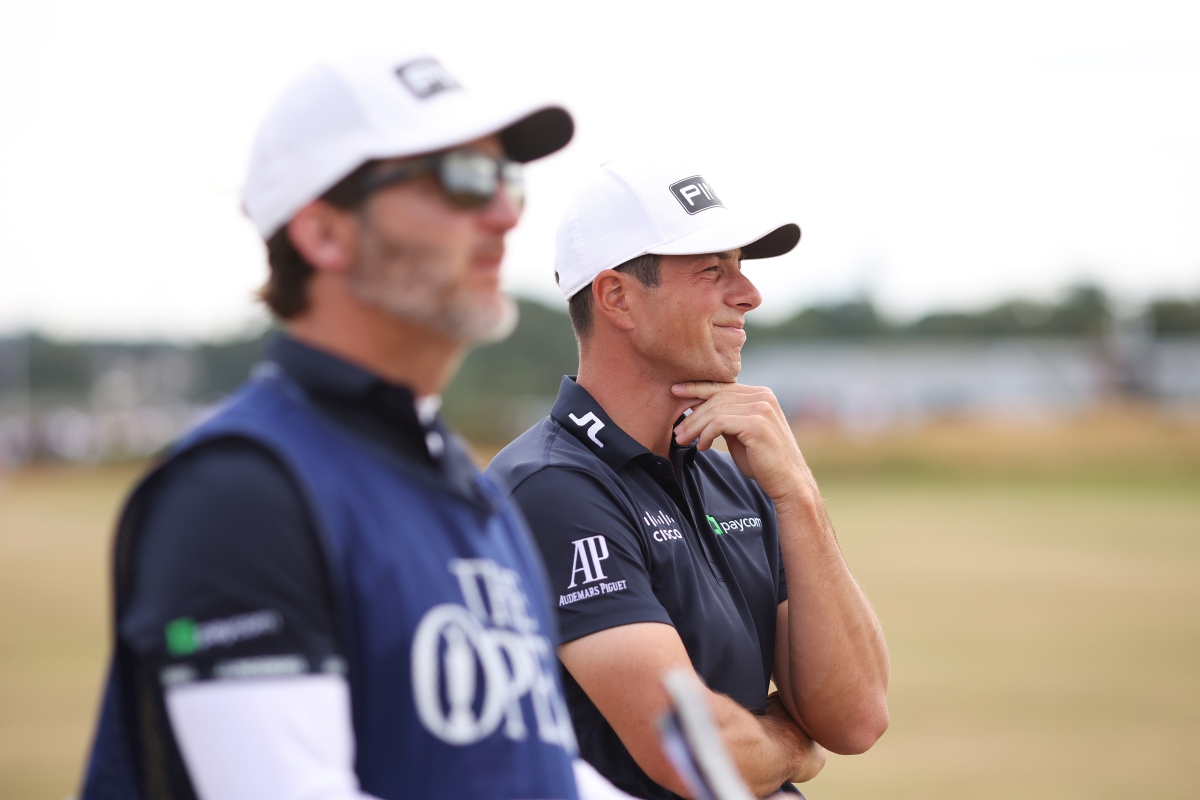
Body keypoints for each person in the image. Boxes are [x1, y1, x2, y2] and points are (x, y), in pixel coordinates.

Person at [79, 51, 624, 800]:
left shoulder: (468, 490)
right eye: (462, 177)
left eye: (509, 179)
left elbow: (532, 770)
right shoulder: (242, 488)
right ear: (324, 233)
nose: (506, 213)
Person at [486, 163, 891, 799]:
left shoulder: (738, 477)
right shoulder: (550, 487)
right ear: (616, 297)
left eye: (740, 266)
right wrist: (793, 743)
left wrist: (798, 494)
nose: (749, 293)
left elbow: (857, 719)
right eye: (712, 270)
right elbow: (695, 754)